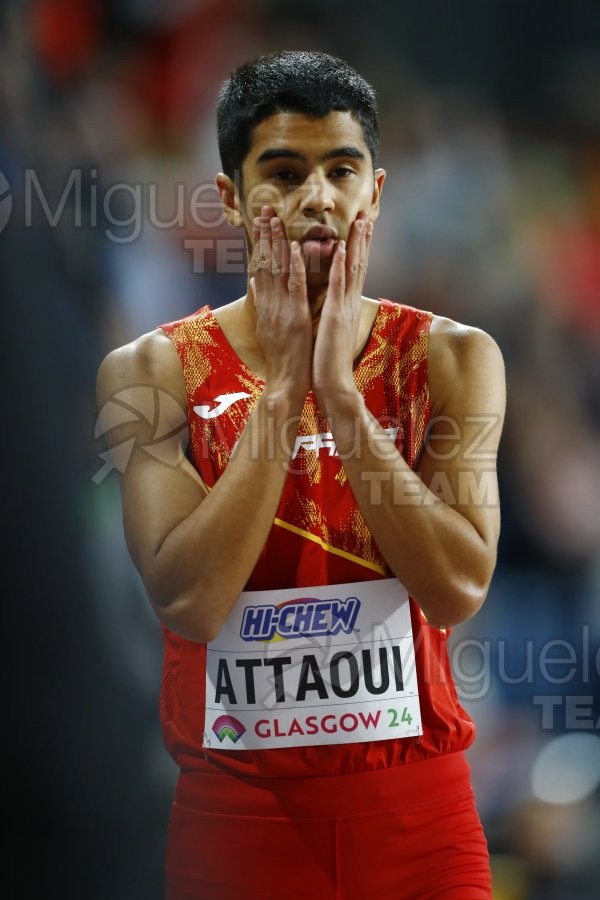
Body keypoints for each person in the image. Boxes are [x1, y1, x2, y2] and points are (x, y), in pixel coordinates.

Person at [96, 50, 506, 900]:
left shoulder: (453, 359)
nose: (317, 198)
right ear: (231, 200)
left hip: (421, 826)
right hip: (239, 828)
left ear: (377, 193)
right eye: (282, 173)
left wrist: (344, 402)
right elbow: (191, 601)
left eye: (341, 170)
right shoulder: (151, 373)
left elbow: (459, 586)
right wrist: (283, 393)